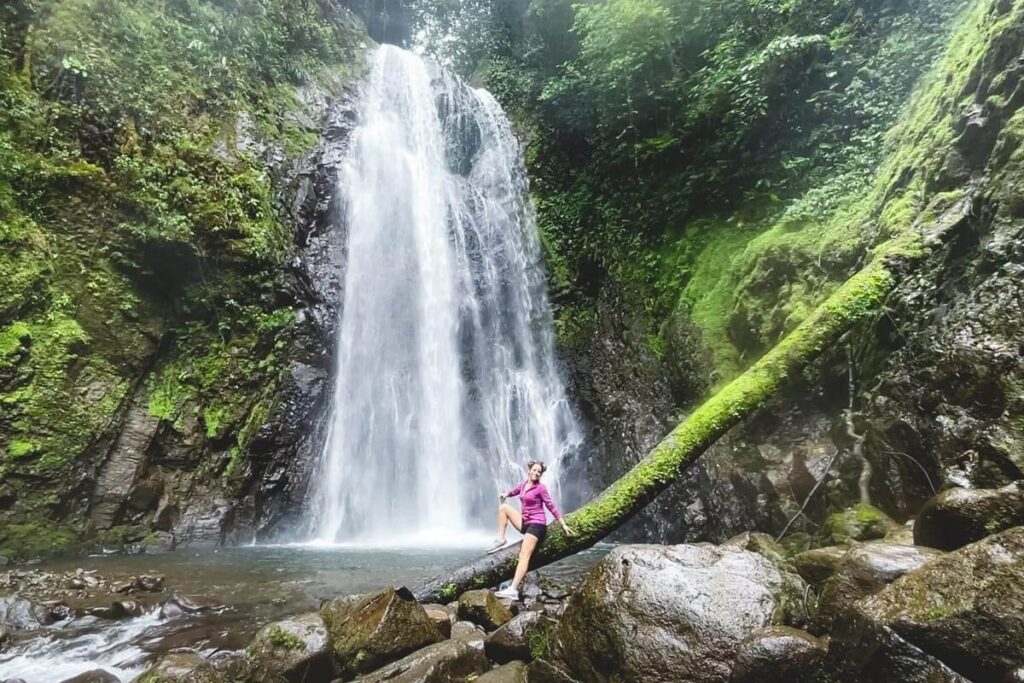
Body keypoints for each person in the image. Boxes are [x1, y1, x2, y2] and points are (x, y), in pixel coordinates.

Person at [487, 459, 573, 600]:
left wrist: (563, 524)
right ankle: (501, 539)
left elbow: (551, 506)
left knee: (524, 554)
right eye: (534, 470)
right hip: (525, 522)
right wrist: (506, 494)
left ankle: (513, 589)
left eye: (539, 472)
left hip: (537, 525)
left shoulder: (541, 488)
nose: (536, 473)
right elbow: (515, 491)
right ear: (529, 471)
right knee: (504, 508)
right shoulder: (524, 484)